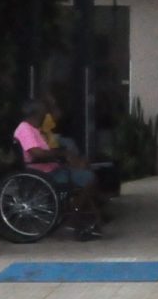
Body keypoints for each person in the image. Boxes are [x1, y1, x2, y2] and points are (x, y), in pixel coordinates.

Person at [14, 99, 104, 240]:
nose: (45, 115)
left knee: (85, 168)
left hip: (50, 169)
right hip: (44, 174)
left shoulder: (33, 129)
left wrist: (61, 154)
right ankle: (75, 210)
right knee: (90, 179)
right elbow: (37, 154)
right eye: (43, 112)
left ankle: (83, 209)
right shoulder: (25, 129)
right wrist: (59, 154)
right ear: (37, 114)